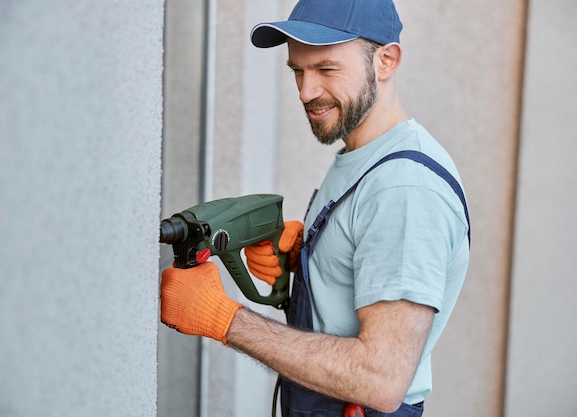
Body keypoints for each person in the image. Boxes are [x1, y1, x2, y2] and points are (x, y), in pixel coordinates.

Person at [160, 0, 471, 416]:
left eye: (326, 69)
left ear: (386, 60)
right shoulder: (364, 154)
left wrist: (224, 318)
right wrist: (309, 261)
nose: (306, 91)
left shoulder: (404, 190)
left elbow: (380, 378)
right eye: (297, 71)